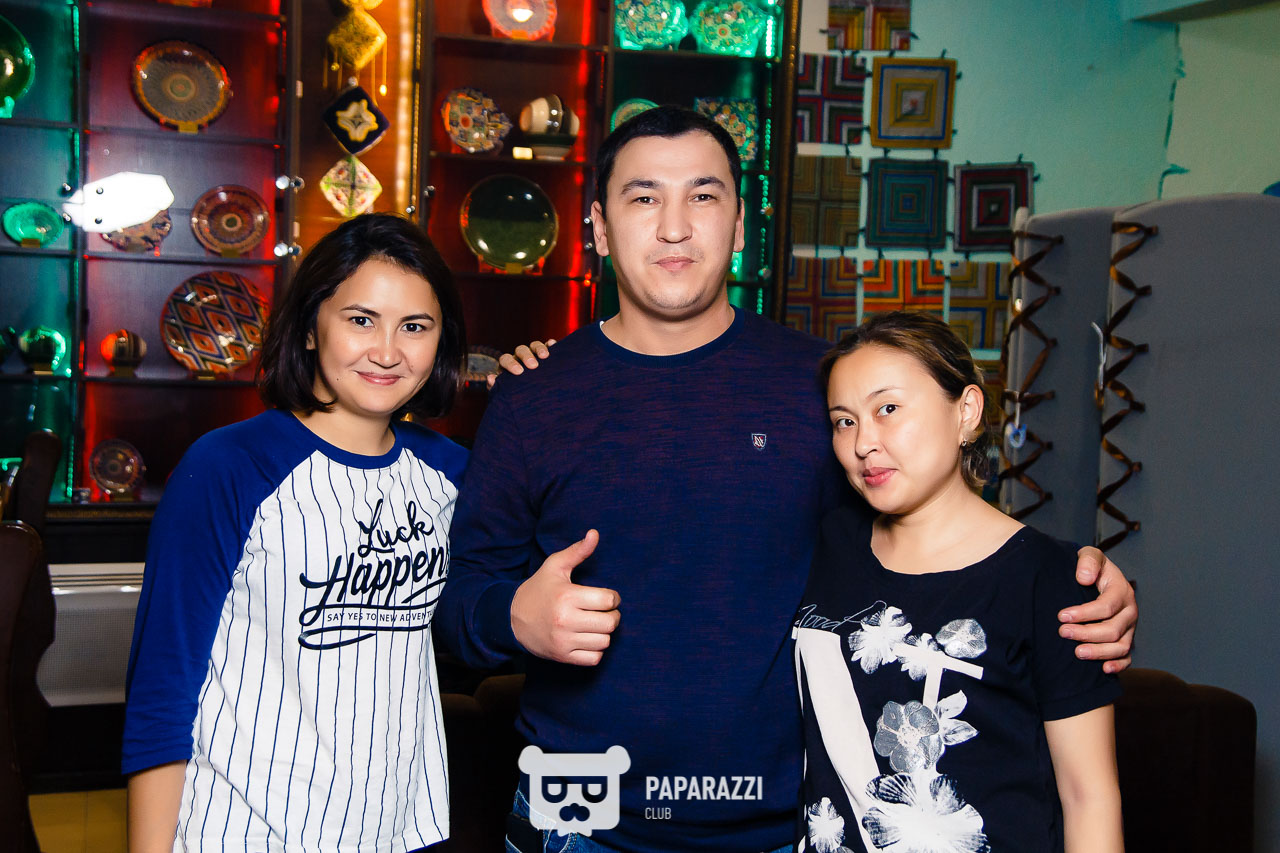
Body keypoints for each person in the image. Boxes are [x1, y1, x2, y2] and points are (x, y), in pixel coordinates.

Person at [434, 106, 1136, 853]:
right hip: (579, 819)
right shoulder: (534, 396)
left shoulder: (822, 388)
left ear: (740, 225)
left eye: (703, 196)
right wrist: (513, 617)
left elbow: (920, 538)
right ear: (600, 230)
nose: (674, 227)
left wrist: (1069, 582)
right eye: (644, 198)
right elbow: (454, 606)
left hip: (783, 826)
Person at [122, 214, 468, 852]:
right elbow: (163, 683)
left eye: (415, 327)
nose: (387, 351)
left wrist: (545, 388)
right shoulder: (229, 466)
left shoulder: (452, 475)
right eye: (360, 320)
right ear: (311, 326)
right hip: (242, 830)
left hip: (395, 830)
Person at [795, 311, 1122, 853]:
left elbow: (1089, 797)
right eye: (844, 421)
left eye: (888, 409)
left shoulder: (1049, 579)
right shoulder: (831, 543)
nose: (863, 442)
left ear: (966, 411)